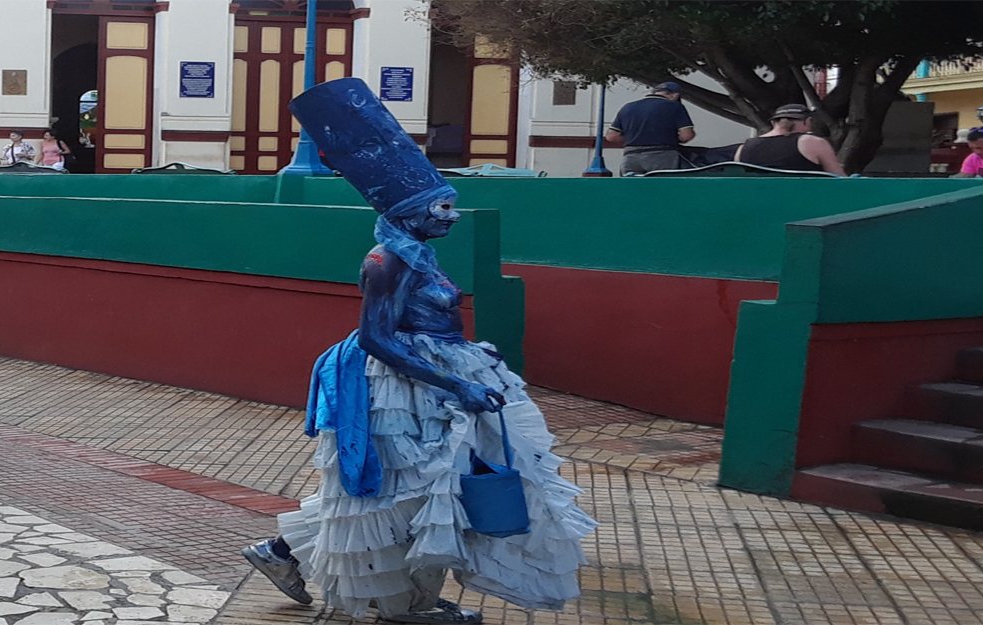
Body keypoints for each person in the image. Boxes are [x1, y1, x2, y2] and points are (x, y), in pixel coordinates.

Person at [241, 78, 594, 625]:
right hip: (402, 387)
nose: (451, 216)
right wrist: (457, 383)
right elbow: (377, 337)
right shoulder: (387, 261)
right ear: (410, 213)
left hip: (433, 378)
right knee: (408, 490)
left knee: (411, 489)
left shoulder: (421, 255)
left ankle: (282, 553)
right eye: (441, 207)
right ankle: (406, 605)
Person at [606, 81, 696, 175]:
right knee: (660, 188)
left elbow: (611, 136)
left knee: (631, 188)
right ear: (675, 95)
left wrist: (634, 140)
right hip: (662, 156)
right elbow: (686, 135)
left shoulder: (628, 107)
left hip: (630, 157)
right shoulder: (675, 106)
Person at [734, 104, 845, 175]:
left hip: (755, 205)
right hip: (806, 205)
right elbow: (839, 179)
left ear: (773, 122)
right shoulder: (811, 142)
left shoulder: (744, 147)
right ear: (807, 121)